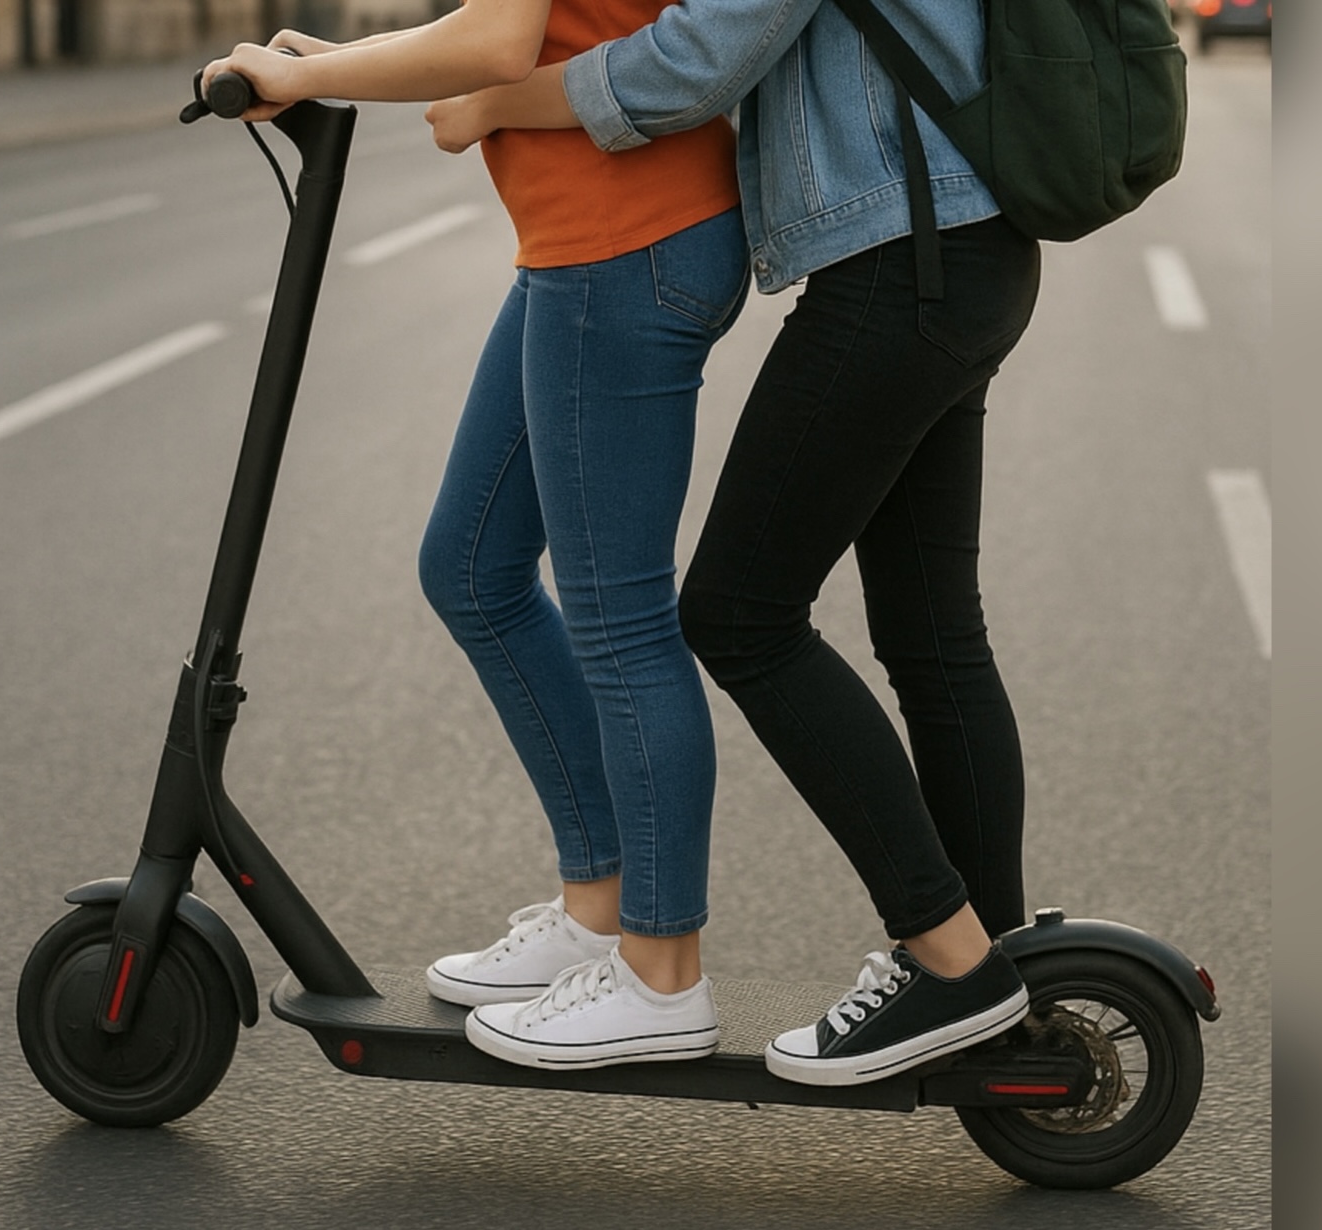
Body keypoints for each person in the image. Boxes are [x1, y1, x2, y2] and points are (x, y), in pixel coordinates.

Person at [424, 0, 1041, 1086]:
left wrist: (492, 98)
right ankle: (989, 966)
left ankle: (952, 962)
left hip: (905, 258)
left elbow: (695, 62)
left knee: (739, 616)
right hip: (960, 243)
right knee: (933, 634)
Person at [201, 1, 749, 1070]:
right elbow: (525, 22)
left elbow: (497, 45)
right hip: (588, 242)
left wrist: (318, 81)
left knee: (618, 613)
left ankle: (661, 975)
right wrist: (343, 62)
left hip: (624, 244)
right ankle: (599, 908)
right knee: (471, 564)